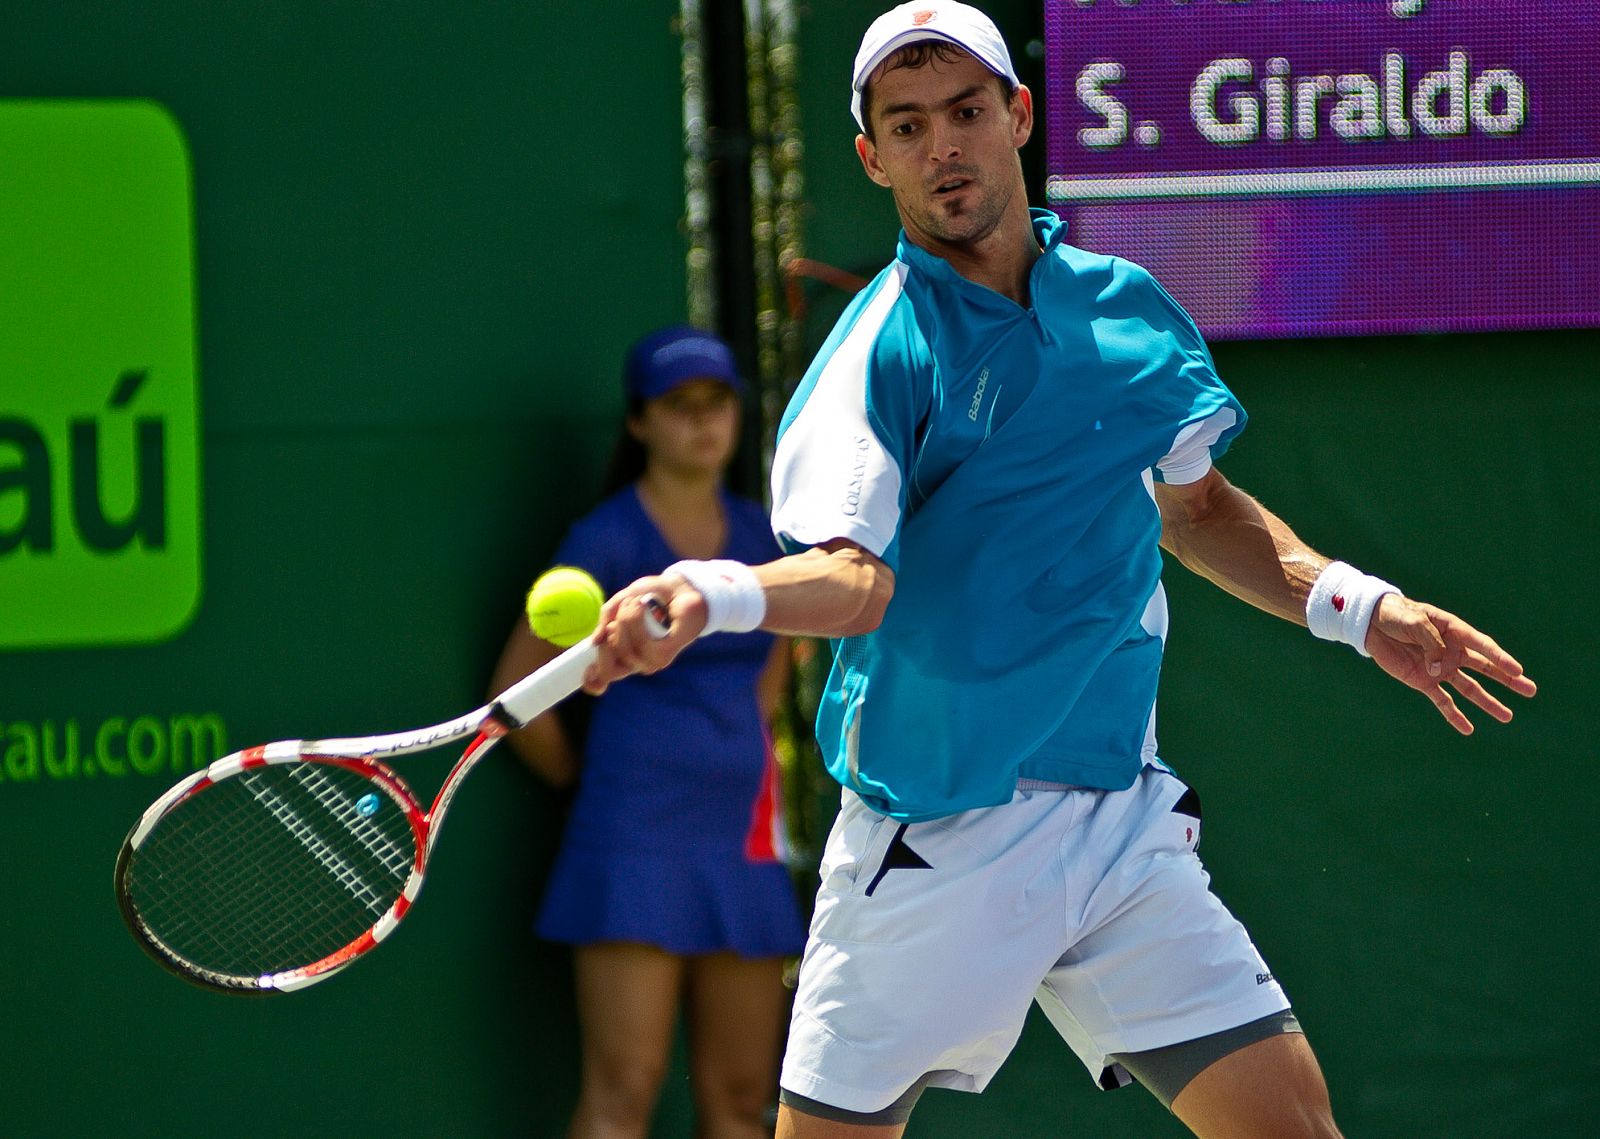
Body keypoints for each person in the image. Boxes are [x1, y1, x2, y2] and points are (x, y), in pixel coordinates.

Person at [577, 4, 1538, 1137]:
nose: (944, 144)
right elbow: (854, 581)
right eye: (908, 123)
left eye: (967, 112)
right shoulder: (876, 354)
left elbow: (1199, 509)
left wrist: (1356, 606)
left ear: (1017, 117)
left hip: (1118, 822)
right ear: (871, 155)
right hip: (934, 837)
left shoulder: (1132, 313)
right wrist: (714, 591)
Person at [490, 325, 806, 1139]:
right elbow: (514, 691)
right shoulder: (604, 540)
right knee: (624, 1090)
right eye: (678, 406)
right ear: (640, 423)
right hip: (629, 839)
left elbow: (773, 667)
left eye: (717, 403)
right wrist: (582, 779)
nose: (703, 422)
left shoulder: (762, 540)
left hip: (739, 843)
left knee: (743, 1100)